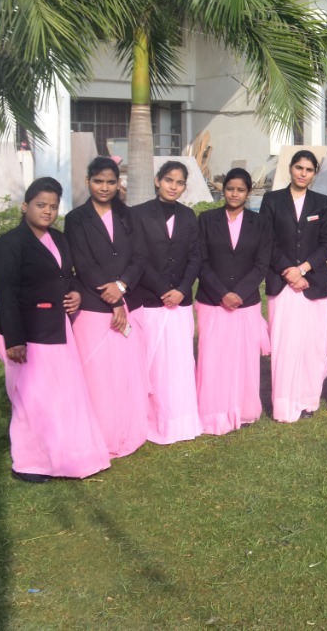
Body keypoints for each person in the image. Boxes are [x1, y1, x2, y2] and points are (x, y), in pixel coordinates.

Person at [0, 177, 110, 482]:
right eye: (41, 205)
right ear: (25, 206)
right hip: (24, 332)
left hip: (57, 327)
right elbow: (6, 294)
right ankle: (28, 464)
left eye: (53, 206)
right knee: (31, 399)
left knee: (60, 395)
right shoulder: (9, 244)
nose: (47, 211)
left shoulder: (58, 239)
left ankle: (62, 457)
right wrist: (15, 340)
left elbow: (66, 277)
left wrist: (76, 293)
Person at [65, 157, 148, 458]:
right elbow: (83, 263)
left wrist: (122, 287)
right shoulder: (76, 219)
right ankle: (100, 435)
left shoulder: (129, 215)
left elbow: (140, 257)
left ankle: (128, 430)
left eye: (110, 182)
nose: (104, 187)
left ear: (118, 184)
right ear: (88, 181)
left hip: (129, 300)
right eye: (98, 181)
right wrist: (114, 301)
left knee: (125, 372)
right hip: (92, 305)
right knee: (98, 376)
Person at [130, 161, 203, 444]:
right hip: (151, 300)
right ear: (157, 180)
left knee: (180, 362)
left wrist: (182, 290)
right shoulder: (138, 214)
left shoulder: (188, 216)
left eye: (180, 182)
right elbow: (138, 257)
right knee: (153, 362)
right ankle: (152, 419)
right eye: (169, 180)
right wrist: (163, 289)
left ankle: (181, 420)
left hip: (180, 302)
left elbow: (195, 257)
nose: (173, 186)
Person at [195, 168, 271, 435]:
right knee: (213, 358)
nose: (234, 194)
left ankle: (244, 408)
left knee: (244, 359)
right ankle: (213, 412)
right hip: (212, 301)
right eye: (230, 189)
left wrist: (239, 292)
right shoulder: (206, 220)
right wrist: (222, 293)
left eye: (240, 190)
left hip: (245, 302)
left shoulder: (259, 223)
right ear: (223, 190)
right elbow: (200, 261)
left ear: (248, 193)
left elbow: (262, 264)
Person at [261, 150, 327, 422]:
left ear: (314, 173)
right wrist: (289, 272)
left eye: (309, 169)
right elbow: (266, 240)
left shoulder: (322, 203)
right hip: (282, 283)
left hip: (313, 284)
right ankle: (284, 403)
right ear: (290, 168)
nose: (303, 173)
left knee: (312, 346)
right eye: (299, 168)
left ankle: (308, 400)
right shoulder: (272, 200)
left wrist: (303, 269)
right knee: (285, 344)